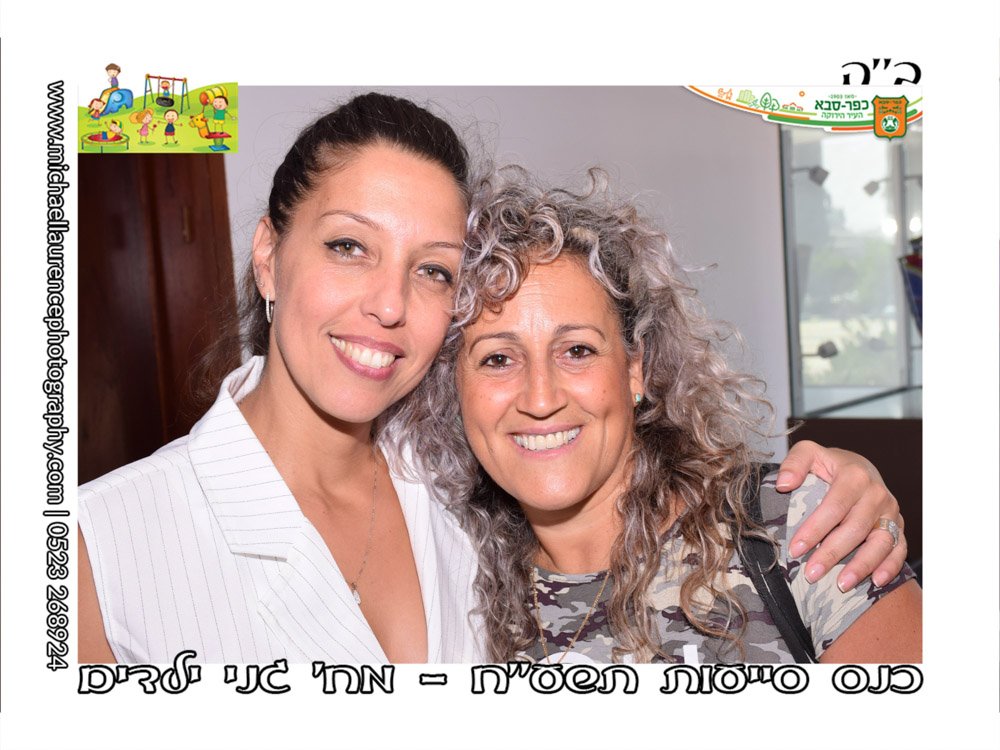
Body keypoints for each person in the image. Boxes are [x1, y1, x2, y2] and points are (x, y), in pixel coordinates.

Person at [78, 93, 909, 665]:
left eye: (432, 270)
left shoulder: (452, 503)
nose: (388, 304)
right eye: (348, 246)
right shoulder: (95, 548)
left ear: (638, 365)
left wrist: (839, 487)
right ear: (268, 255)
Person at [404, 168, 920, 663]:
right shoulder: (457, 592)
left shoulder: (793, 530)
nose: (540, 399)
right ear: (454, 388)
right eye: (498, 359)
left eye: (577, 351)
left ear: (636, 369)